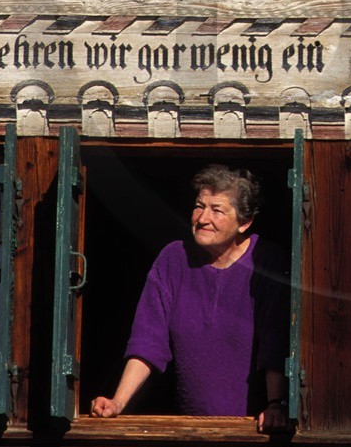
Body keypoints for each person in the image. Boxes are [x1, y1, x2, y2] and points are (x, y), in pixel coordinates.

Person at [89, 165, 291, 433]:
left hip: (252, 429)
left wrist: (275, 404)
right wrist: (117, 402)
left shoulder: (266, 261)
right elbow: (148, 341)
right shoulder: (174, 259)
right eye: (199, 206)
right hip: (191, 429)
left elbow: (274, 341)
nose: (203, 218)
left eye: (217, 209)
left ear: (244, 222)